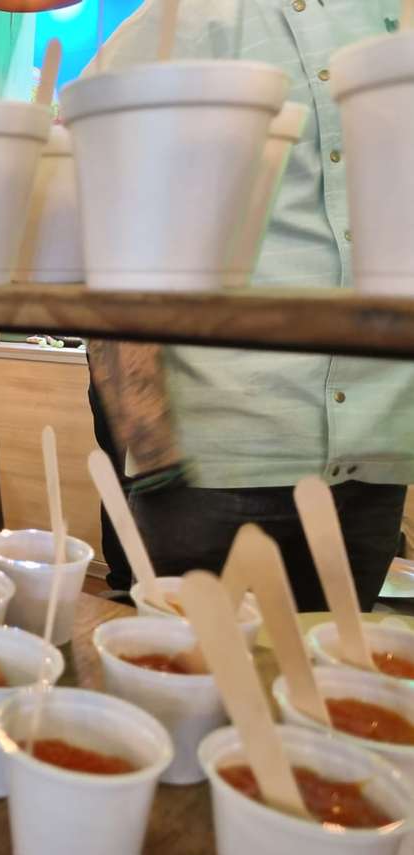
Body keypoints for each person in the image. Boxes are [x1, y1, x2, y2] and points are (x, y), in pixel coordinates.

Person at [87, 0, 413, 612]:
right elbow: (90, 207)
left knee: (330, 668)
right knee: (190, 666)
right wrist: (145, 434)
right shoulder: (182, 20)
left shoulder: (393, 22)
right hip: (220, 455)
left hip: (378, 451)